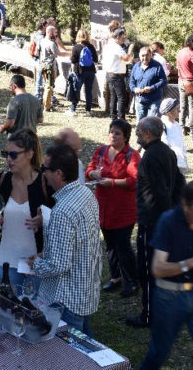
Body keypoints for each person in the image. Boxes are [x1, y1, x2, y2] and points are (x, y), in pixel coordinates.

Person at [140, 180, 193, 370]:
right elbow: (157, 269)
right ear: (185, 205)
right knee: (158, 353)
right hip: (169, 297)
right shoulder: (168, 221)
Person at [28, 144, 101, 336]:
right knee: (87, 348)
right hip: (85, 290)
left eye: (45, 169)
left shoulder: (62, 212)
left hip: (66, 299)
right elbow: (80, 241)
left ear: (58, 174)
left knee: (71, 356)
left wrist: (36, 263)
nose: (43, 174)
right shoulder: (86, 194)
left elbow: (57, 266)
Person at [129, 116, 186, 328]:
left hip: (153, 222)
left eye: (138, 131)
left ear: (148, 133)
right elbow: (180, 183)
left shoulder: (151, 157)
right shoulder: (167, 152)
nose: (136, 134)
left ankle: (149, 314)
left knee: (148, 268)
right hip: (163, 219)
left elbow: (161, 192)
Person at [0, 129, 52, 291]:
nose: (9, 159)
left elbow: (60, 216)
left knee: (36, 312)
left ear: (30, 154)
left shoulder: (45, 181)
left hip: (36, 262)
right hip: (7, 261)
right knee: (11, 310)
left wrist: (44, 220)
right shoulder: (3, 180)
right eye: (6, 154)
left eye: (14, 155)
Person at [85, 120, 141, 297]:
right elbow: (90, 168)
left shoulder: (131, 156)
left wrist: (113, 183)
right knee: (109, 245)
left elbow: (134, 180)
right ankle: (116, 277)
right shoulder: (101, 151)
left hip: (123, 210)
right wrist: (92, 173)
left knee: (123, 246)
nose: (113, 136)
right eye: (111, 132)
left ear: (126, 137)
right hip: (103, 208)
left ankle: (132, 281)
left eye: (117, 133)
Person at [102, 28, 135, 121]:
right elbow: (125, 58)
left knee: (114, 97)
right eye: (123, 37)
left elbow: (120, 60)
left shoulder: (108, 45)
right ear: (118, 37)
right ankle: (121, 119)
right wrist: (130, 50)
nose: (124, 39)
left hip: (110, 74)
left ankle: (113, 116)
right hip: (116, 76)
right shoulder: (116, 47)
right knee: (122, 97)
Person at [37, 25, 70, 111]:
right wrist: (70, 54)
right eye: (54, 32)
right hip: (50, 67)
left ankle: (45, 104)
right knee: (49, 86)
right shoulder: (51, 43)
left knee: (46, 85)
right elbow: (59, 53)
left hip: (43, 65)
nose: (56, 34)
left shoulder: (42, 41)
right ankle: (47, 106)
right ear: (50, 32)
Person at [130, 46, 167, 120]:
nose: (145, 58)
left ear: (151, 55)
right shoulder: (136, 67)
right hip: (140, 100)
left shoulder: (157, 66)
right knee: (140, 123)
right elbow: (131, 82)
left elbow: (163, 81)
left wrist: (152, 88)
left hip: (154, 100)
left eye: (147, 55)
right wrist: (134, 89)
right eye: (142, 56)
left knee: (152, 122)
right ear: (139, 56)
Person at [68, 29, 98, 116]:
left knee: (76, 90)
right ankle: (88, 110)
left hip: (80, 72)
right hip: (91, 71)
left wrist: (73, 71)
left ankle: (73, 109)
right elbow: (96, 60)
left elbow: (73, 61)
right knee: (88, 91)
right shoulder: (91, 47)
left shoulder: (76, 47)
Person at [159, 98, 190, 174]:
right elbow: (164, 144)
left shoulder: (177, 125)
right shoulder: (161, 125)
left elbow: (181, 143)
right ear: (169, 112)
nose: (179, 111)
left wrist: (183, 155)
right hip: (168, 161)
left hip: (179, 160)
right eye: (177, 109)